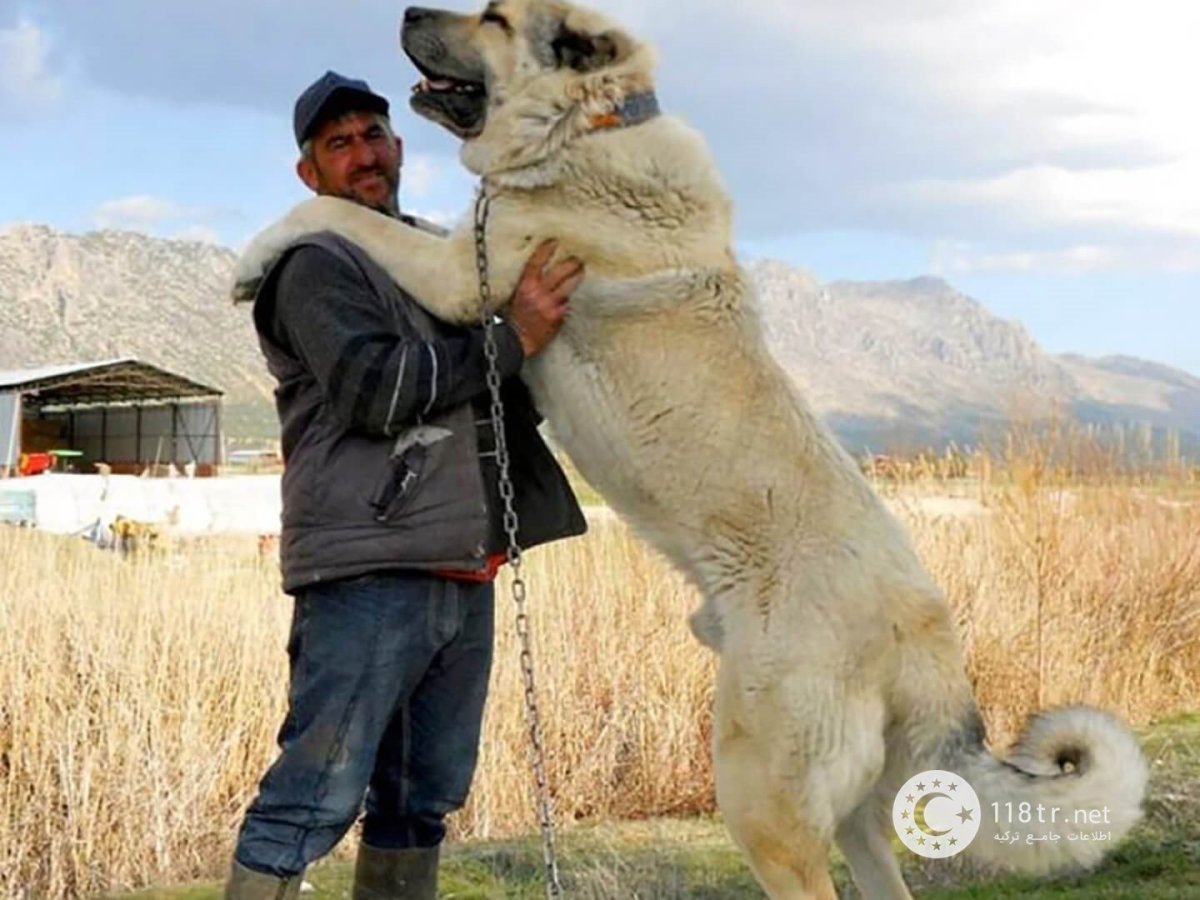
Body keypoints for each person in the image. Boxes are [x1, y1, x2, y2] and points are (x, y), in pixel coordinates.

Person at [226, 71, 588, 900]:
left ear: (398, 146)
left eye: (374, 135)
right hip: (367, 571)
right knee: (311, 800)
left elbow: (502, 389)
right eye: (338, 143)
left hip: (462, 567)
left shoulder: (431, 257)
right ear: (310, 173)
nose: (364, 155)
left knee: (420, 802)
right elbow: (374, 388)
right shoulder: (315, 265)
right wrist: (511, 339)